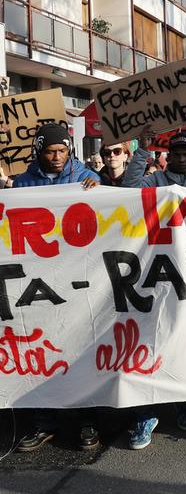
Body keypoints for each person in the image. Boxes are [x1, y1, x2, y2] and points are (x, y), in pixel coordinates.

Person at [123, 128, 186, 450]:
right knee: (149, 337)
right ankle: (145, 413)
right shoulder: (154, 182)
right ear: (169, 155)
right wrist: (143, 151)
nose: (180, 157)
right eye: (175, 152)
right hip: (153, 268)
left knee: (185, 336)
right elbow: (129, 188)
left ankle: (184, 403)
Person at [12, 123, 100, 452]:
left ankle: (86, 420)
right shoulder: (23, 183)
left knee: (80, 348)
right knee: (41, 349)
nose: (57, 157)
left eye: (62, 150)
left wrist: (99, 187)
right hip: (39, 282)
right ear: (39, 151)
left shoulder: (85, 178)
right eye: (50, 151)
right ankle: (42, 422)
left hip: (79, 279)